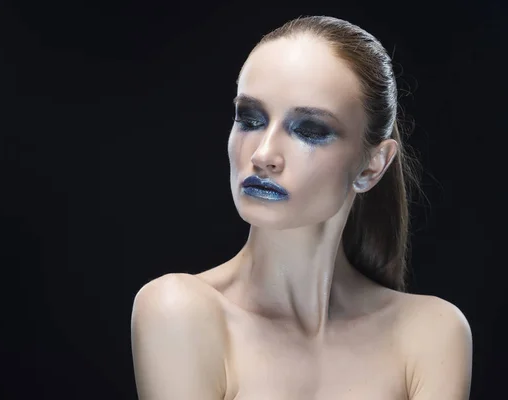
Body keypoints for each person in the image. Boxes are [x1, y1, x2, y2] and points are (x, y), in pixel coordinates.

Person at [131, 15, 473, 400]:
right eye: (250, 118)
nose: (263, 155)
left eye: (309, 130)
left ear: (372, 165)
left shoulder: (431, 332)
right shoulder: (180, 311)